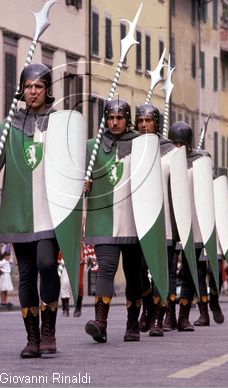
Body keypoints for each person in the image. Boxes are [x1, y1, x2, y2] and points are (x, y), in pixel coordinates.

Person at [0, 63, 64, 358]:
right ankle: (33, 338)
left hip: (51, 210)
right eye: (28, 86)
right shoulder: (9, 125)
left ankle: (49, 329)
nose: (33, 91)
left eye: (38, 86)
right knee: (25, 273)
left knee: (47, 264)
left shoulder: (60, 123)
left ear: (47, 91)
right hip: (19, 210)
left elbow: (73, 161)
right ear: (22, 89)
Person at [84, 98, 142, 343]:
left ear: (127, 120)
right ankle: (101, 323)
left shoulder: (142, 145)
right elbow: (80, 174)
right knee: (105, 270)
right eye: (110, 117)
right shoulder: (92, 146)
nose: (114, 122)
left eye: (119, 118)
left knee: (133, 274)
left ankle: (132, 324)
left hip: (134, 220)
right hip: (104, 218)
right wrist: (83, 183)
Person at [135, 104, 195, 336]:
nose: (144, 125)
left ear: (156, 123)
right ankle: (148, 306)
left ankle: (160, 318)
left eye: (148, 121)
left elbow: (179, 191)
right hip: (139, 221)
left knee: (165, 271)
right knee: (139, 269)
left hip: (166, 223)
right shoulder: (132, 147)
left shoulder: (172, 152)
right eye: (140, 121)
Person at [168, 121, 224, 327]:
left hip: (198, 225)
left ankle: (206, 308)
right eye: (175, 143)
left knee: (199, 271)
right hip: (176, 224)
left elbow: (209, 190)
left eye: (181, 144)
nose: (177, 148)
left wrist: (202, 166)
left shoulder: (201, 162)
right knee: (178, 270)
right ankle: (180, 314)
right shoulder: (169, 160)